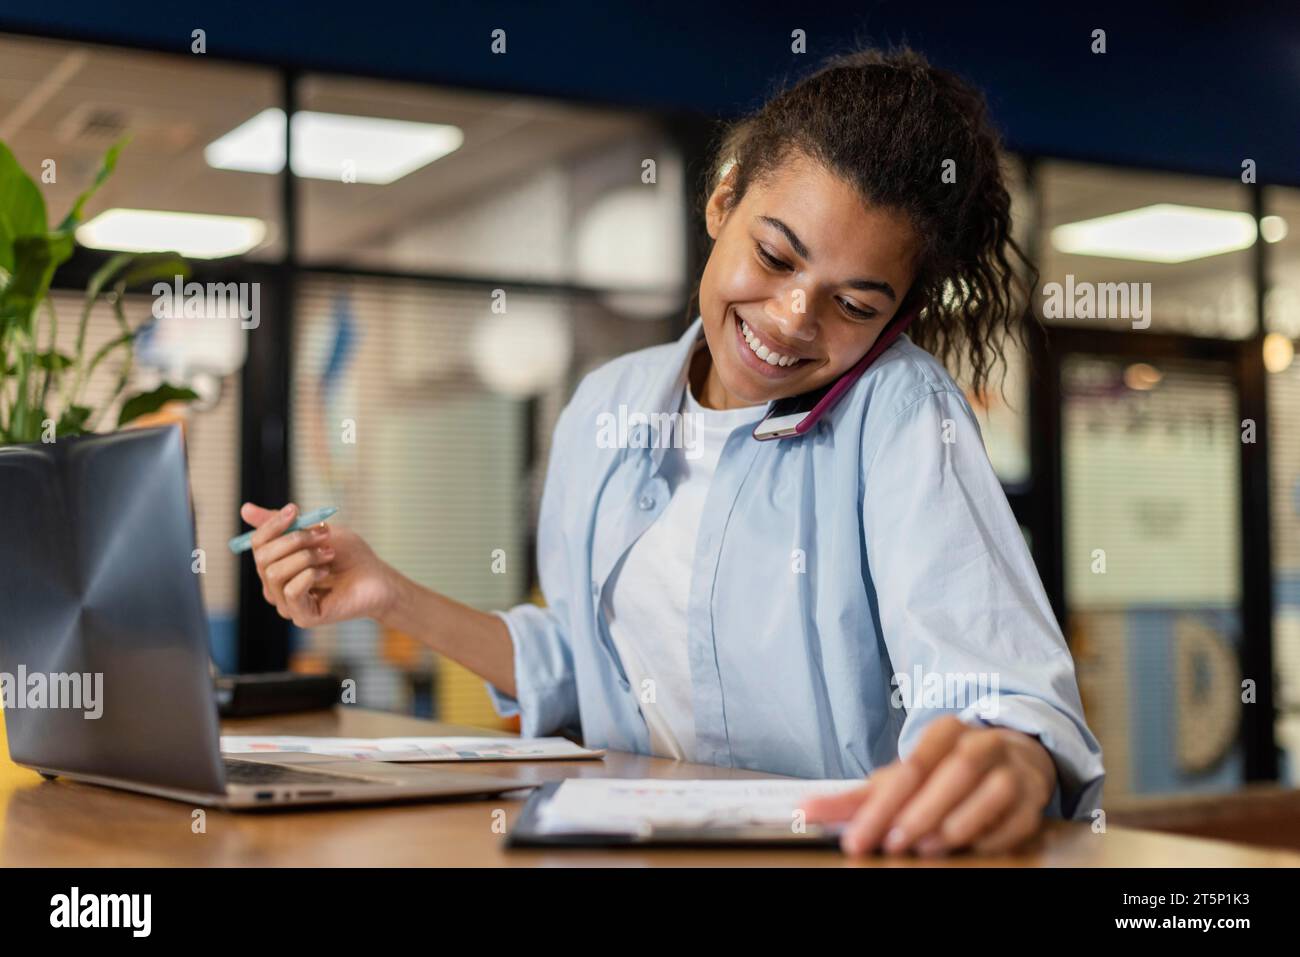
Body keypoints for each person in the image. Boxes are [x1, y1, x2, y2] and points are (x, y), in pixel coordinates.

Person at [241, 46, 1104, 857]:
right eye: (774, 255)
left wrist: (1011, 754)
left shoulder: (901, 412)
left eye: (854, 304)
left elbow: (996, 689)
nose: (794, 317)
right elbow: (580, 664)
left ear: (898, 318)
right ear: (722, 201)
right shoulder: (608, 405)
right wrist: (389, 595)